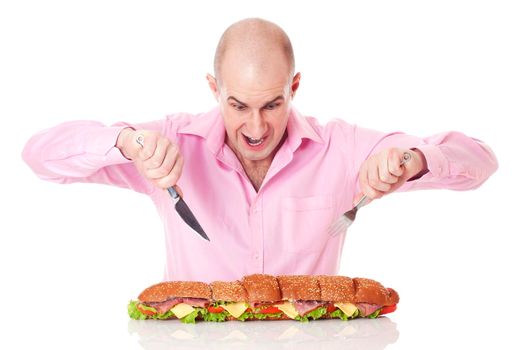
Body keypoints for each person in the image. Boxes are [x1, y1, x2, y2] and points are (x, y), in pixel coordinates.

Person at [22, 18, 498, 283]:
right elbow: (40, 156)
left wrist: (409, 159)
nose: (255, 126)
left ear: (294, 86)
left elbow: (479, 162)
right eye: (238, 105)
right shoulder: (168, 144)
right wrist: (124, 141)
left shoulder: (339, 147)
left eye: (272, 104)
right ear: (214, 88)